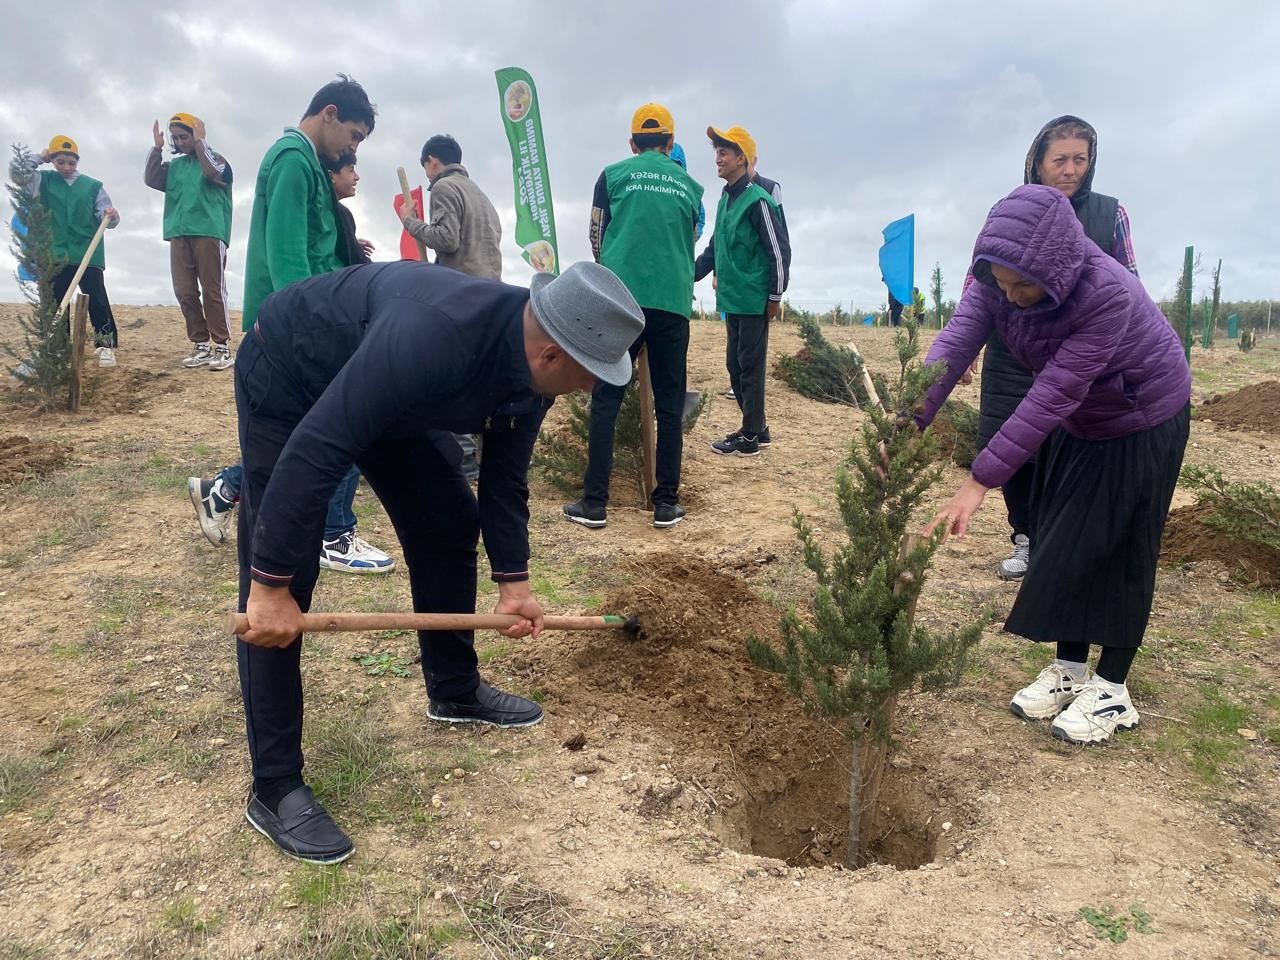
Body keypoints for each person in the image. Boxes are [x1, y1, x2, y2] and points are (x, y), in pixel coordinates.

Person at [232, 259, 643, 864]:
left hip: (391, 393)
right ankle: (274, 784)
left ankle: (453, 689)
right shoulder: (434, 333)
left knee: (449, 520)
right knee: (286, 575)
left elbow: (506, 478)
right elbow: (319, 449)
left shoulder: (536, 371)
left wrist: (514, 583)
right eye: (592, 375)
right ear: (552, 355)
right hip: (294, 368)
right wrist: (269, 584)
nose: (591, 389)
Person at [918, 184, 1190, 746]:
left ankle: (1113, 689)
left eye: (1024, 286)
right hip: (1086, 418)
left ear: (1059, 270)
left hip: (1144, 415)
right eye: (1002, 284)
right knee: (1064, 538)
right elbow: (954, 345)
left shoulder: (1105, 293)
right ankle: (1071, 671)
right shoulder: (997, 275)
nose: (1011, 296)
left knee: (1121, 547)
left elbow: (1053, 393)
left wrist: (978, 482)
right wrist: (903, 423)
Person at [187, 76, 394, 575]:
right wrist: (313, 338)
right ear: (328, 113)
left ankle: (226, 492)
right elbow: (287, 258)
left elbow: (316, 251)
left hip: (301, 332)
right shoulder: (292, 160)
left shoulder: (308, 166)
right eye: (354, 135)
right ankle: (328, 536)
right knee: (335, 433)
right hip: (292, 335)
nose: (353, 149)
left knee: (301, 445)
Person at [977, 115, 1140, 582]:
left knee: (1070, 448)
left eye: (1080, 160)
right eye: (1060, 160)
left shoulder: (1111, 214)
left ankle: (1064, 544)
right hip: (1013, 351)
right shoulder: (1010, 209)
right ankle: (1027, 540)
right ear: (1037, 162)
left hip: (1081, 354)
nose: (1071, 170)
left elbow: (1129, 284)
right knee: (1011, 445)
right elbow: (981, 279)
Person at [563, 103, 703, 529]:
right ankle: (665, 503)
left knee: (606, 399)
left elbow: (595, 233)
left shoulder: (613, 175)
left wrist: (610, 277)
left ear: (631, 143)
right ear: (671, 143)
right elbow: (691, 236)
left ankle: (595, 503)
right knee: (669, 402)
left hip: (621, 301)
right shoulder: (692, 188)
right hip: (673, 303)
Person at [399, 133, 503, 481]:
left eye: (426, 168)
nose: (427, 175)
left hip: (459, 297)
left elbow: (447, 239)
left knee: (449, 376)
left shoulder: (444, 189)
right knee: (477, 379)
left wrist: (410, 222)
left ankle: (464, 458)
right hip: (491, 296)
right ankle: (484, 455)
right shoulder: (481, 195)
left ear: (432, 161)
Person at [694, 125, 789, 457]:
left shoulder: (758, 200)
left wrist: (775, 296)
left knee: (749, 366)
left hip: (752, 299)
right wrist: (688, 273)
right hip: (732, 299)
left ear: (742, 158)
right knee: (735, 365)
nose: (717, 159)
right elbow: (715, 246)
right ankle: (758, 427)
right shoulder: (724, 199)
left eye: (724, 153)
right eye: (716, 152)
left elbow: (778, 251)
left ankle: (749, 436)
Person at [11, 135, 121, 367]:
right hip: (54, 253)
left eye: (71, 162)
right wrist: (39, 157)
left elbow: (107, 218)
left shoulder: (93, 186)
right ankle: (58, 350)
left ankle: (105, 346)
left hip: (88, 253)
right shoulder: (42, 181)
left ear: (77, 162)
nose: (67, 167)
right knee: (54, 302)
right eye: (60, 161)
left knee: (97, 300)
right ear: (52, 160)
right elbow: (18, 174)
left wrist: (110, 216)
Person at [144, 113, 235, 370]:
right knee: (184, 290)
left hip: (209, 230)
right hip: (178, 232)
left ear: (196, 135)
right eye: (177, 138)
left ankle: (223, 347)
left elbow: (213, 173)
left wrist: (201, 143)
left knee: (212, 289)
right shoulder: (175, 167)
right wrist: (156, 149)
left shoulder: (217, 160)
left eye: (185, 136)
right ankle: (201, 345)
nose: (181, 142)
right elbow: (151, 179)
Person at [323, 150, 372, 266]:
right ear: (331, 177)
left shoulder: (318, 207)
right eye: (351, 170)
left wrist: (352, 243)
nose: (357, 177)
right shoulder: (341, 212)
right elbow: (355, 260)